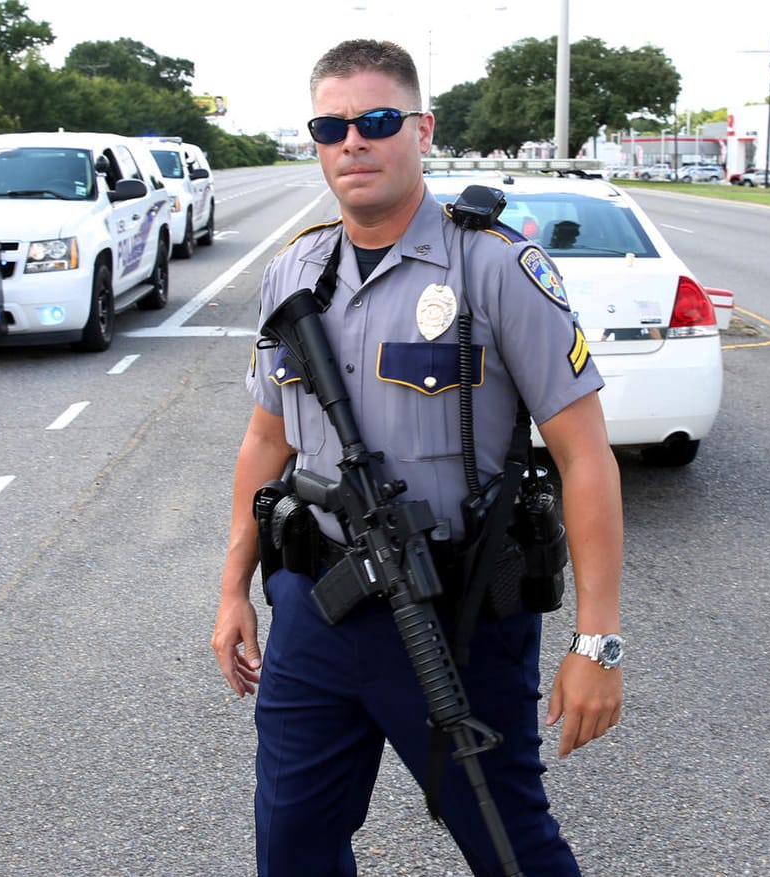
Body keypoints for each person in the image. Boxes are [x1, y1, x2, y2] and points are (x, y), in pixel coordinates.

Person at [210, 39, 624, 876]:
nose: (352, 141)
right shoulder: (296, 269)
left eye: (376, 120)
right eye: (332, 125)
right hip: (314, 614)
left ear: (421, 129)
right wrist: (231, 590)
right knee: (291, 851)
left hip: (456, 615)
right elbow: (266, 439)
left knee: (512, 849)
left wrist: (598, 641)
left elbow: (584, 456)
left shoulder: (496, 267)